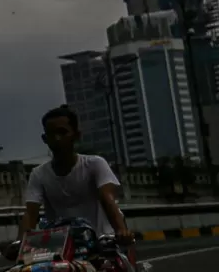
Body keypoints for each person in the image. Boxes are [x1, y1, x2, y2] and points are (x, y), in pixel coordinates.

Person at [9, 104, 134, 260]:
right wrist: (21, 242)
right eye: (51, 134)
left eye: (63, 132)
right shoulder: (38, 174)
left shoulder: (95, 164)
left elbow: (107, 198)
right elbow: (30, 213)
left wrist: (121, 230)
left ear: (76, 135)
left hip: (102, 241)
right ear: (44, 139)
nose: (57, 139)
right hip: (61, 247)